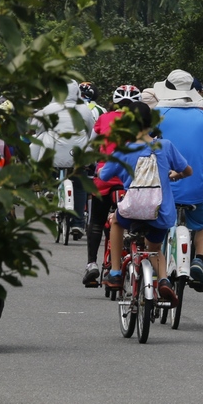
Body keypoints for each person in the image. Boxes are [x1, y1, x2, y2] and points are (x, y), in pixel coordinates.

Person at [98, 102, 192, 296]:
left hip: (132, 211)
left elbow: (104, 176)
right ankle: (164, 279)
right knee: (155, 249)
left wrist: (100, 169)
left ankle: (115, 272)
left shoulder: (123, 150)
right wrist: (175, 175)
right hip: (161, 213)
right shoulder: (165, 146)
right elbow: (187, 170)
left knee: (116, 221)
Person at [152, 70, 203, 293]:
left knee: (156, 225)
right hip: (196, 186)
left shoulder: (155, 115)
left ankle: (161, 271)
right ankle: (198, 262)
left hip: (161, 186)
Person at [83, 85, 143, 286]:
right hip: (129, 180)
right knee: (133, 222)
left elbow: (91, 145)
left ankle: (91, 263)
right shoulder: (141, 121)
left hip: (105, 176)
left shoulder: (103, 118)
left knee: (97, 222)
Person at [31, 81, 96, 240]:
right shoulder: (84, 110)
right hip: (77, 154)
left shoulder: (48, 109)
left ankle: (48, 189)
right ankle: (78, 224)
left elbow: (35, 127)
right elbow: (90, 130)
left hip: (52, 153)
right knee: (80, 185)